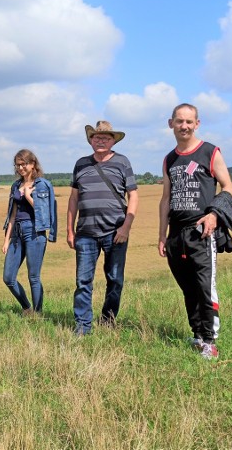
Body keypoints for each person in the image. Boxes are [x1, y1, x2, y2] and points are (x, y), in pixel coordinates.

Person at [158, 103, 232, 360]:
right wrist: (162, 234)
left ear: (197, 124)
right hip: (176, 234)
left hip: (202, 232)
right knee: (187, 287)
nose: (184, 126)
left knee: (204, 286)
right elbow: (166, 198)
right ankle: (197, 335)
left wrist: (214, 214)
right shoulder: (169, 159)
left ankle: (210, 341)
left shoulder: (210, 152)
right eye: (179, 121)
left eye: (189, 121)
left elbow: (227, 187)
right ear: (171, 124)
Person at [66, 121, 139, 335]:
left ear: (113, 140)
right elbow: (73, 199)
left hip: (115, 232)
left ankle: (108, 320)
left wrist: (125, 228)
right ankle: (83, 326)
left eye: (105, 137)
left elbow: (133, 196)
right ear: (90, 140)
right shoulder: (80, 164)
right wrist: (70, 230)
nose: (100, 140)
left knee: (115, 279)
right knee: (82, 281)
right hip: (85, 233)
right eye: (96, 137)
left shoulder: (122, 162)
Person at [2, 149, 57, 315]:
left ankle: (38, 313)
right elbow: (12, 214)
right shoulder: (15, 185)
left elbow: (44, 212)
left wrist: (28, 196)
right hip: (17, 234)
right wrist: (6, 240)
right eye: (17, 165)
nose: (20, 168)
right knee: (8, 277)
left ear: (33, 165)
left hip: (35, 232)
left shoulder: (42, 185)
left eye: (23, 164)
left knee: (33, 276)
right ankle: (27, 308)